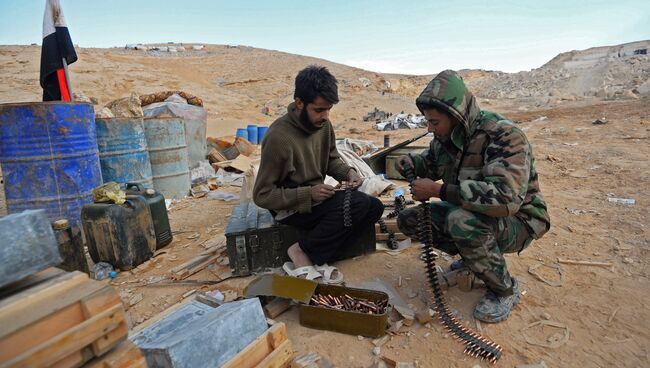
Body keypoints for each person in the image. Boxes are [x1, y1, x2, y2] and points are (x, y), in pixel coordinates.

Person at [394, 70, 551, 322]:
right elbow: (432, 164)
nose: (430, 128)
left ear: (456, 116)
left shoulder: (502, 135)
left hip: (520, 221)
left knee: (460, 221)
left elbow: (505, 199)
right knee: (409, 220)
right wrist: (411, 163)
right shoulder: (444, 137)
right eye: (427, 121)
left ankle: (504, 290)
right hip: (475, 215)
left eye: (434, 122)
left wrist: (439, 191)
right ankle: (474, 260)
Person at [253, 65, 384, 283]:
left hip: (316, 200)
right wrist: (308, 194)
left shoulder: (324, 127)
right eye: (319, 110)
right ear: (299, 103)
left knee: (374, 208)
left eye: (328, 109)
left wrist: (348, 173)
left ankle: (318, 254)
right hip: (290, 207)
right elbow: (263, 196)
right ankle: (299, 251)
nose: (325, 116)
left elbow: (331, 158)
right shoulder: (279, 138)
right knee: (357, 205)